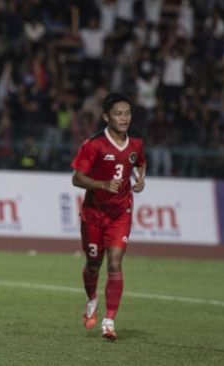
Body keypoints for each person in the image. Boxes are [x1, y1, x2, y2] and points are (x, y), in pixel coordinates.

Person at [70, 92, 146, 341]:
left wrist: (140, 179)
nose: (124, 118)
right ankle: (92, 299)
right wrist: (103, 185)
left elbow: (139, 163)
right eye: (118, 114)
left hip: (120, 213)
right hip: (94, 214)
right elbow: (76, 178)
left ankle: (109, 321)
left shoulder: (136, 144)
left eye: (127, 113)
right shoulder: (94, 144)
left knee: (115, 262)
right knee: (94, 264)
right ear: (106, 116)